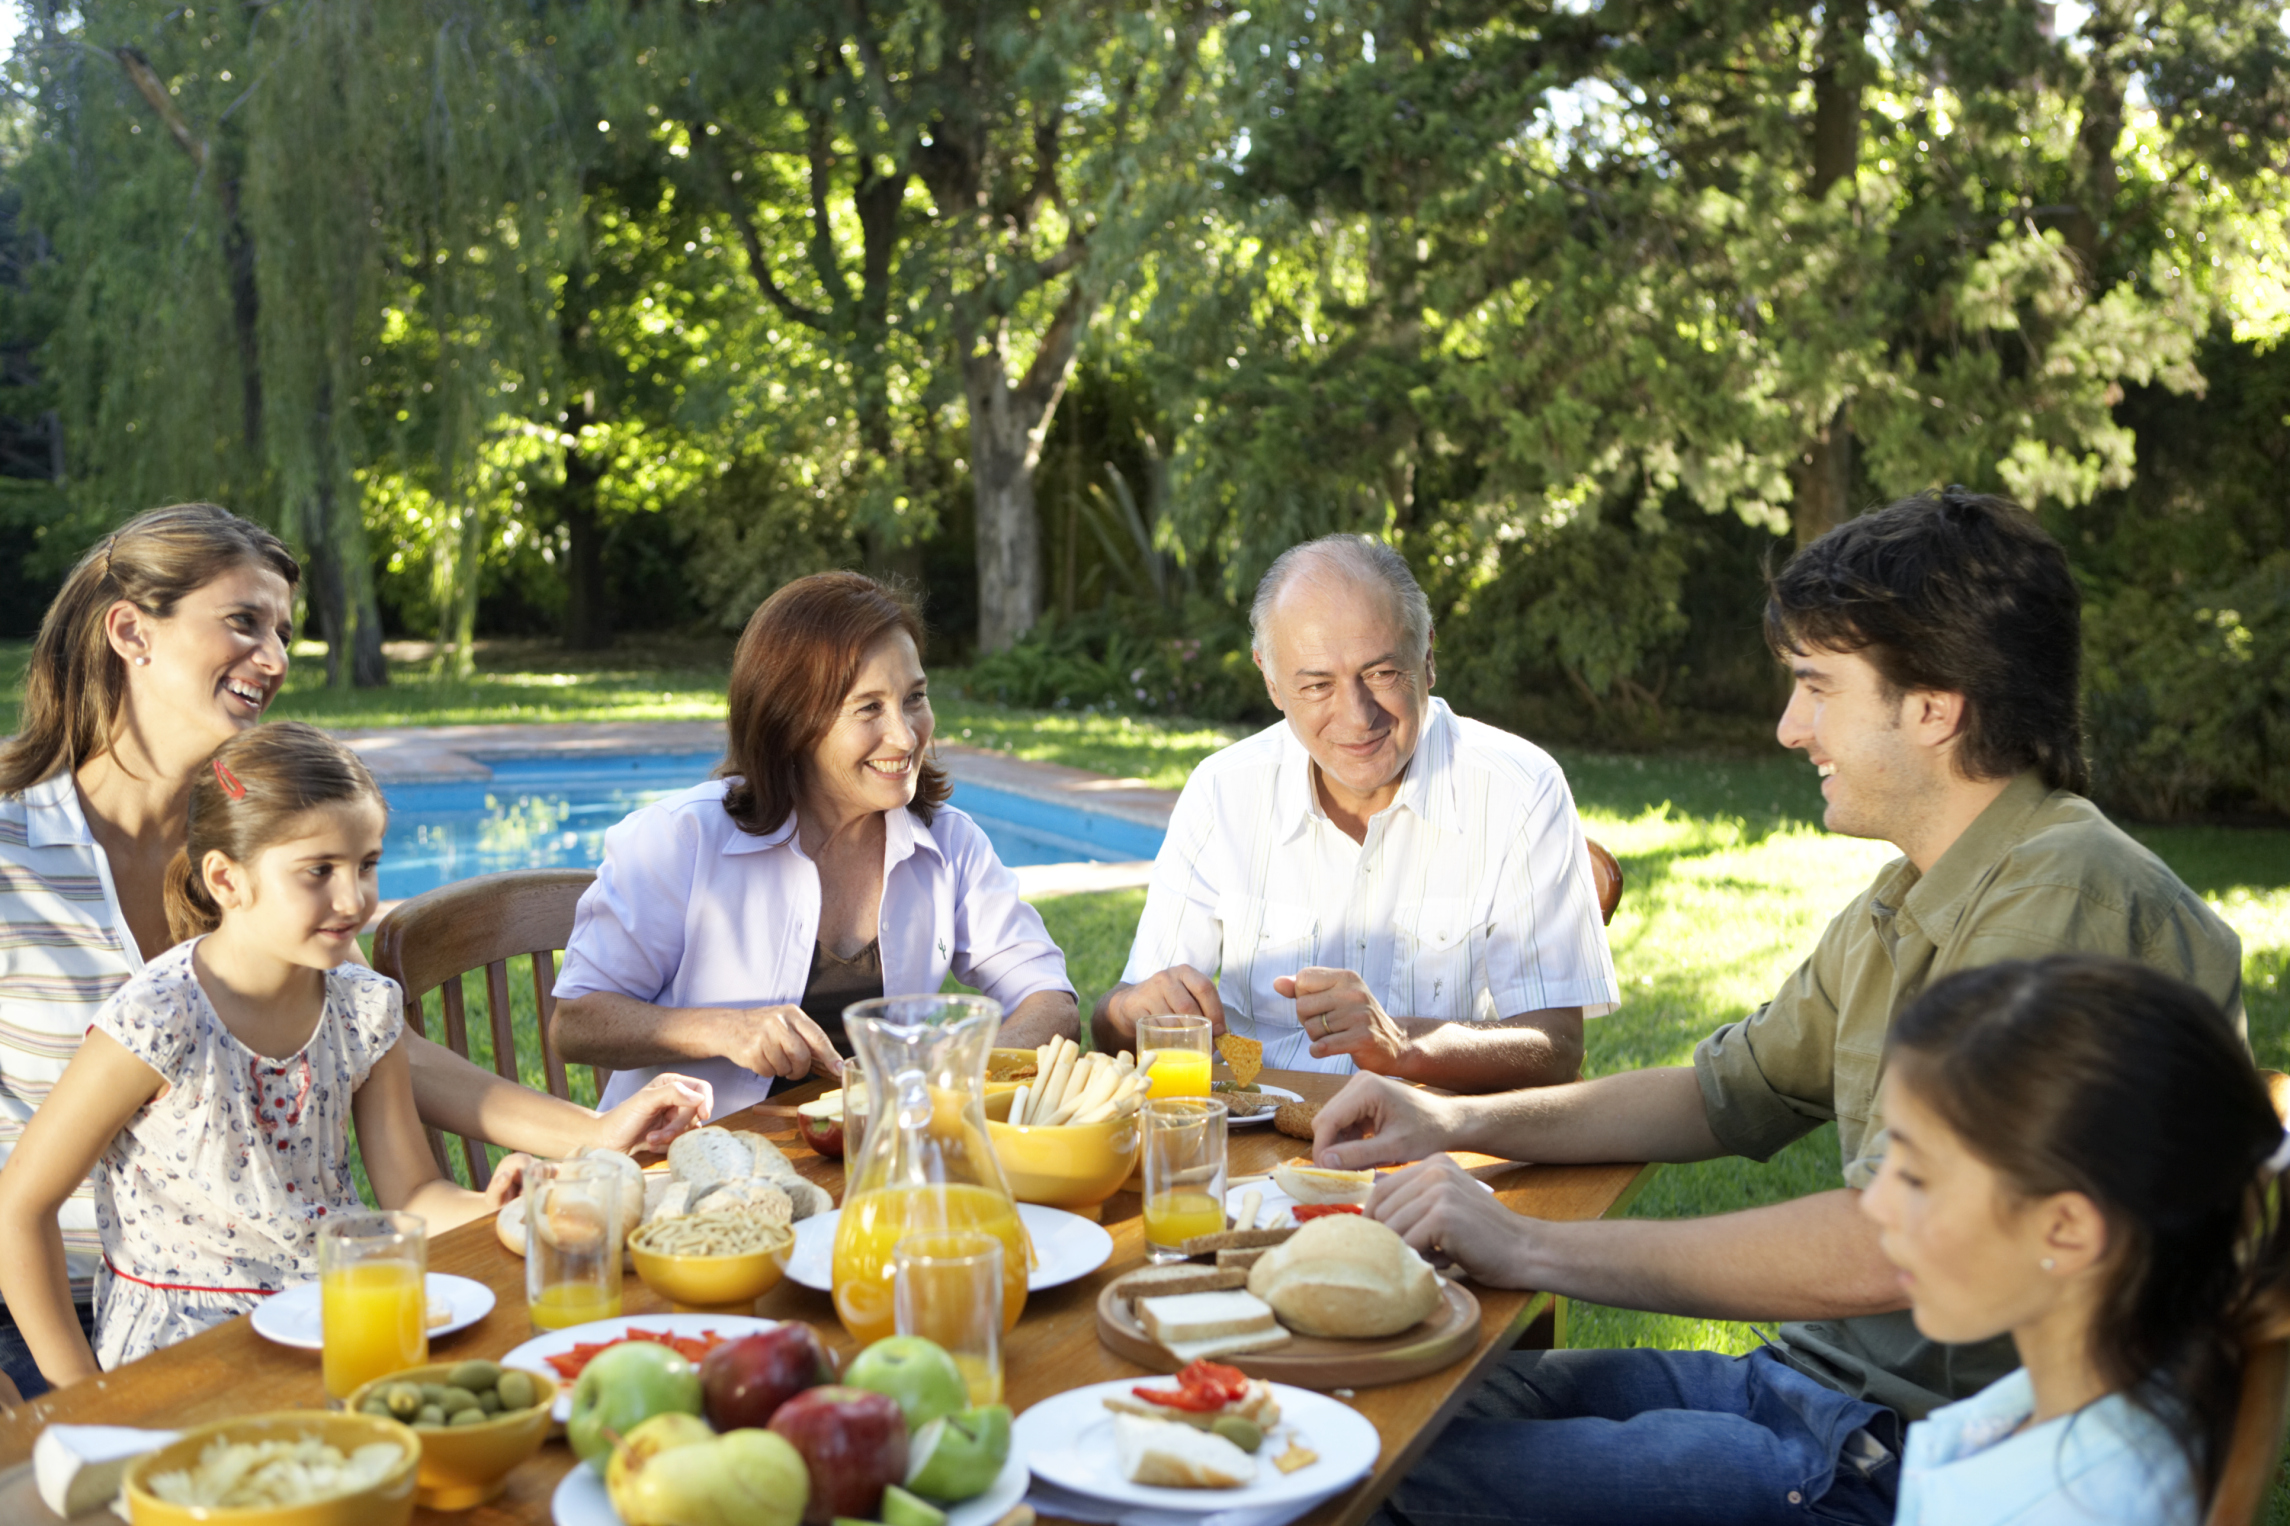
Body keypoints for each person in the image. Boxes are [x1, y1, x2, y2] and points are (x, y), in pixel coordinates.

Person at [1320, 491, 2245, 1524]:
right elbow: (1729, 1090)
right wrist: (1452, 1117)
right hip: (1810, 1392)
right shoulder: (1913, 893)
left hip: (1900, 1457)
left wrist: (1527, 1245)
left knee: (1354, 1477)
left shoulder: (2063, 899)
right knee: (1360, 1397)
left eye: (1814, 686)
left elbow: (1892, 1243)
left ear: (1934, 705)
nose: (1787, 725)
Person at [0, 503, 711, 1400]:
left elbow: (372, 1043)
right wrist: (67, 1410)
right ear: (131, 632)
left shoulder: (270, 842)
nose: (274, 658)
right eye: (243, 622)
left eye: (284, 632)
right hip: (60, 1327)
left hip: (301, 1311)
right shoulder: (12, 850)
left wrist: (594, 1139)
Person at [0, 724, 522, 1382]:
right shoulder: (158, 1018)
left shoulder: (364, 1007)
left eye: (366, 865)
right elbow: (19, 1206)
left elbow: (415, 1191)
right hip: (183, 1353)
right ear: (226, 878)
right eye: (318, 871)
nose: (352, 899)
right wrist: (76, 1401)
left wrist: (495, 1205)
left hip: (334, 1314)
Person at [1095, 534, 1616, 1091]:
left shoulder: (1521, 790)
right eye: (1317, 684)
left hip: (1437, 1146)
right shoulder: (1221, 790)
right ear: (1270, 679)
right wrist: (1131, 1011)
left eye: (1382, 673)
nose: (1357, 716)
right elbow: (1120, 1032)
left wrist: (1404, 1044)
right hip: (1259, 1141)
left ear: (1429, 655)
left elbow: (1557, 1048)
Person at [551, 571, 1079, 1119]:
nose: (904, 736)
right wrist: (724, 1028)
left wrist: (958, 1071)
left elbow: (1050, 1001)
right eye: (868, 707)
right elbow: (577, 1023)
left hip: (878, 1160)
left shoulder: (950, 843)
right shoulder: (679, 840)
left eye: (914, 697)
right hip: (691, 1165)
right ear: (792, 722)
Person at [1865, 956, 2283, 1525]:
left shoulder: (2072, 1507)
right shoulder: (2138, 1389)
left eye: (1914, 1176)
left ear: (2065, 1231)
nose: (1873, 1202)